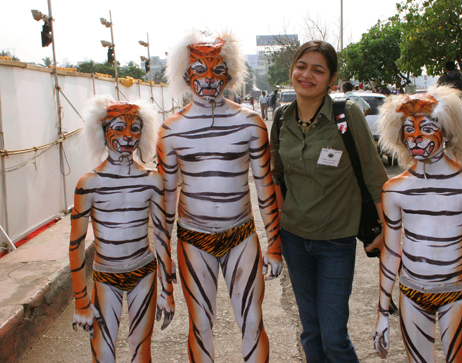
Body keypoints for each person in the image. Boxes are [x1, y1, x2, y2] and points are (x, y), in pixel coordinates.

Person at [160, 31, 282, 363]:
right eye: (200, 70)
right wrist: (163, 260)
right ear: (187, 76)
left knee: (253, 321)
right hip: (192, 238)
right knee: (200, 325)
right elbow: (165, 202)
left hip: (241, 235)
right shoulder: (171, 131)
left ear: (229, 75)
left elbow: (264, 187)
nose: (209, 79)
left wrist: (274, 243)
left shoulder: (250, 123)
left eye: (217, 70)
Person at [270, 40, 388, 363]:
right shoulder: (281, 119)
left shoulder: (346, 115)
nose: (307, 75)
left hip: (336, 242)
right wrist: (278, 229)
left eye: (318, 70)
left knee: (334, 337)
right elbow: (276, 176)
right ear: (291, 70)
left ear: (331, 79)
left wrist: (391, 232)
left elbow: (376, 178)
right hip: (294, 239)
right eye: (301, 66)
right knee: (311, 332)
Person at [373, 86, 462, 362]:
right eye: (409, 131)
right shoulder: (395, 189)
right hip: (410, 293)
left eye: (427, 129)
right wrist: (382, 313)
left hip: (456, 293)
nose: (417, 139)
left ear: (446, 131)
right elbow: (391, 252)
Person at [69, 95, 175, 362]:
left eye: (135, 129)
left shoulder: (153, 180)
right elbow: (76, 246)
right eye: (118, 128)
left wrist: (167, 290)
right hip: (106, 276)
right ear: (103, 133)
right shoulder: (89, 183)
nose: (128, 136)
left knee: (141, 351)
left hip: (145, 272)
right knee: (102, 353)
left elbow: (162, 237)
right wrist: (81, 301)